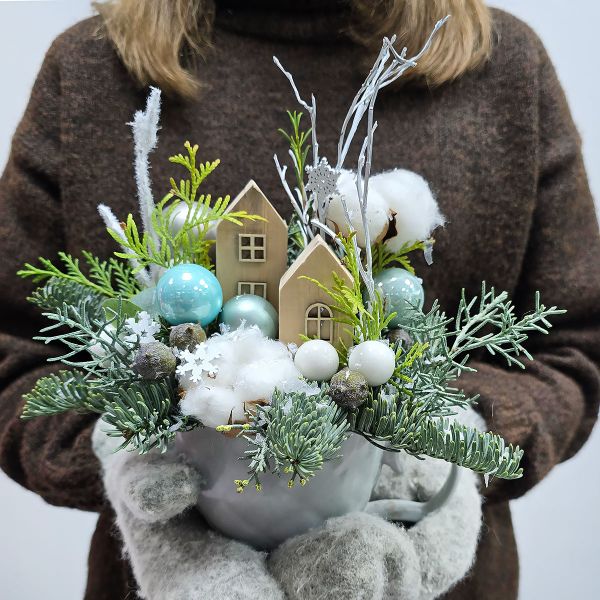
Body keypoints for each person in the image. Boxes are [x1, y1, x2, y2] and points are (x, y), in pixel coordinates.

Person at [0, 1, 598, 598]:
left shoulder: (504, 68)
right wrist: (135, 462)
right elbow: (15, 353)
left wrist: (447, 449)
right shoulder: (93, 69)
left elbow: (575, 347)